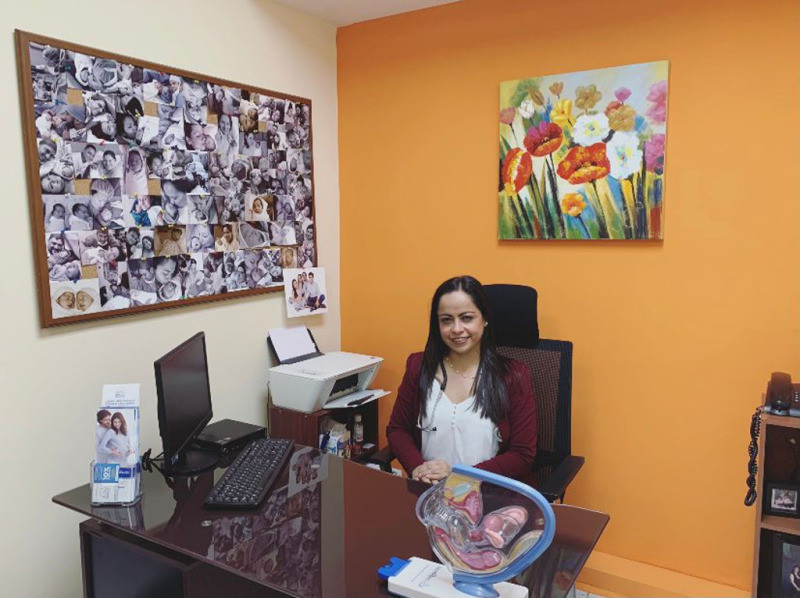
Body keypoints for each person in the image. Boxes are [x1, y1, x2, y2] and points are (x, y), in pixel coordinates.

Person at [386, 275, 537, 484]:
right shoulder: (418, 366)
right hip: (428, 490)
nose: (456, 329)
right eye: (446, 320)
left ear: (484, 319)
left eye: (466, 318)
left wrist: (458, 475)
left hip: (488, 492)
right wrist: (418, 468)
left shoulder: (513, 375)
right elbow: (398, 430)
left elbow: (522, 454)